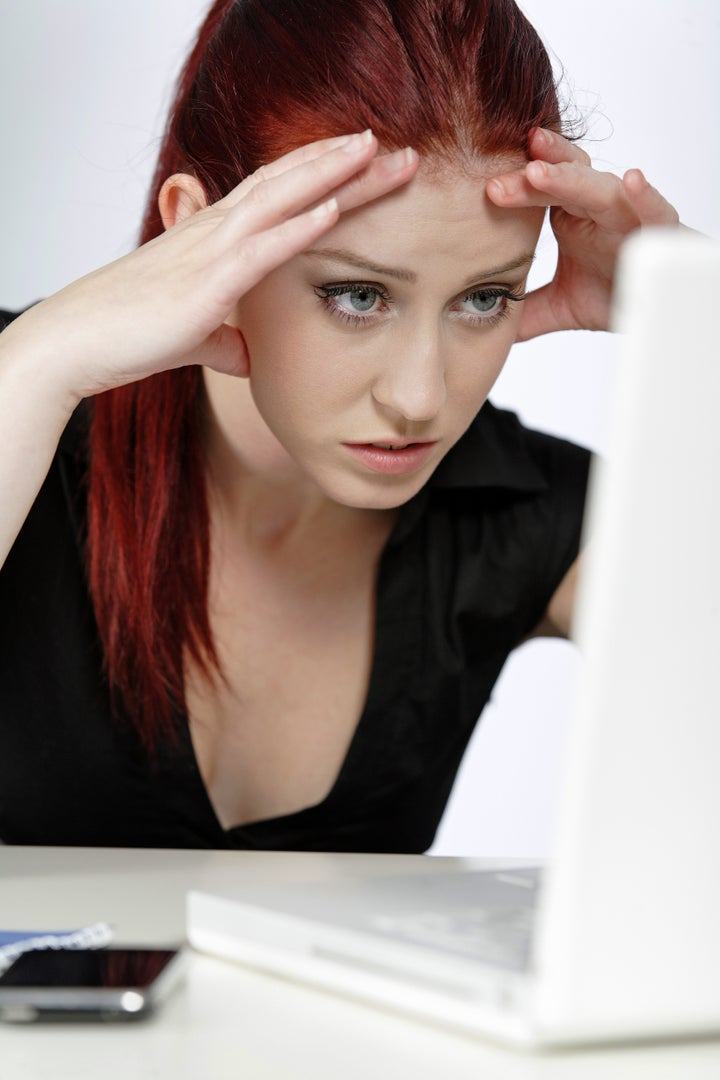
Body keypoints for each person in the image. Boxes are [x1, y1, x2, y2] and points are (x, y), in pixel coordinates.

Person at [0, 0, 680, 850]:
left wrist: (697, 329)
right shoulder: (20, 396)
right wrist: (32, 367)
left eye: (484, 298)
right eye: (358, 295)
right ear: (193, 229)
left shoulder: (525, 511)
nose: (420, 396)